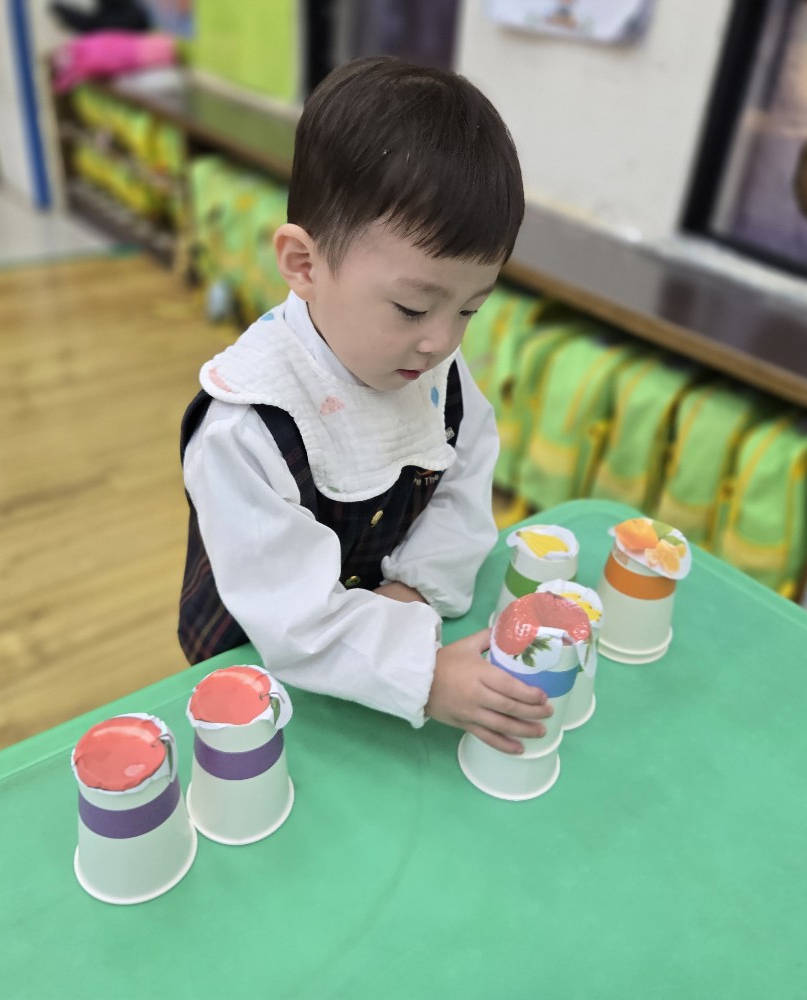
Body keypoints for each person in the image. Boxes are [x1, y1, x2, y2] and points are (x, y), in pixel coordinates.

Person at [179, 56, 550, 754]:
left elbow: (464, 481)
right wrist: (424, 676)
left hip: (392, 637)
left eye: (469, 309)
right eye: (412, 307)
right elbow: (290, 618)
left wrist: (415, 590)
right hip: (262, 673)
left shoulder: (432, 366)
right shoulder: (247, 424)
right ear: (304, 264)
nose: (441, 341)